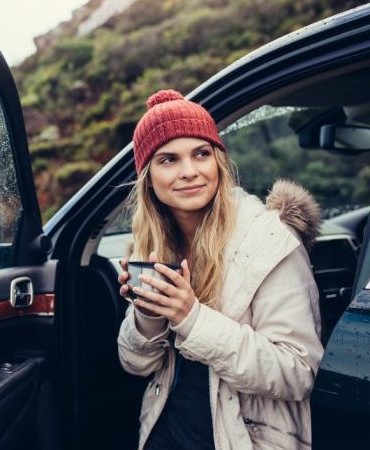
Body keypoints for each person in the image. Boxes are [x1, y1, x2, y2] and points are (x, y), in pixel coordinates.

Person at [116, 89, 324, 449]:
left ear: (219, 162)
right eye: (168, 159)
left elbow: (298, 373)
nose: (189, 172)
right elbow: (136, 365)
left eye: (201, 154)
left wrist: (191, 320)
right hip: (164, 430)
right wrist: (148, 315)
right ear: (148, 177)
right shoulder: (150, 246)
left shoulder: (269, 240)